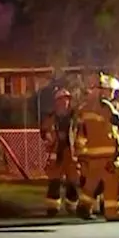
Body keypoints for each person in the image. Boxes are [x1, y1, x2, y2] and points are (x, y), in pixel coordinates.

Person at [74, 72, 119, 221]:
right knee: (113, 180)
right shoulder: (105, 106)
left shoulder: (83, 109)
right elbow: (118, 121)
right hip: (107, 155)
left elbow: (80, 134)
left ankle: (84, 207)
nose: (111, 93)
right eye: (109, 90)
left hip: (92, 156)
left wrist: (81, 156)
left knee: (92, 182)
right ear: (101, 90)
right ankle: (113, 212)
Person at [40, 88, 80, 216]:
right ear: (56, 102)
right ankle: (52, 207)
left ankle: (72, 205)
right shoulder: (51, 117)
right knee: (54, 181)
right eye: (62, 100)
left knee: (72, 181)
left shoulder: (75, 117)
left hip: (71, 152)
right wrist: (48, 136)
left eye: (67, 100)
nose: (64, 103)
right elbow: (44, 131)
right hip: (56, 152)